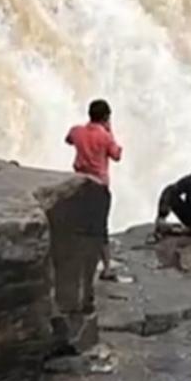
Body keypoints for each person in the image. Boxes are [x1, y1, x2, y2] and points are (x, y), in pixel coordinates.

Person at [66, 99, 123, 280]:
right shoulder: (104, 136)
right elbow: (117, 155)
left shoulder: (77, 131)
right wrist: (109, 131)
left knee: (81, 225)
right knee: (100, 228)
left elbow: (68, 140)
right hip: (99, 185)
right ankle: (107, 268)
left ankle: (78, 264)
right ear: (106, 117)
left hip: (79, 183)